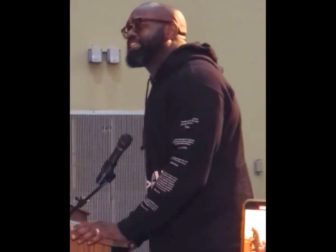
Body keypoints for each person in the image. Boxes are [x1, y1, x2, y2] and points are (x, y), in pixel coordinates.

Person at [70, 2, 254, 252]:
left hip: (210, 241)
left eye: (140, 24)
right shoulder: (169, 83)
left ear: (171, 31)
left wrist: (128, 229)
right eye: (127, 28)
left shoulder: (197, 79)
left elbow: (184, 169)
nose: (130, 32)